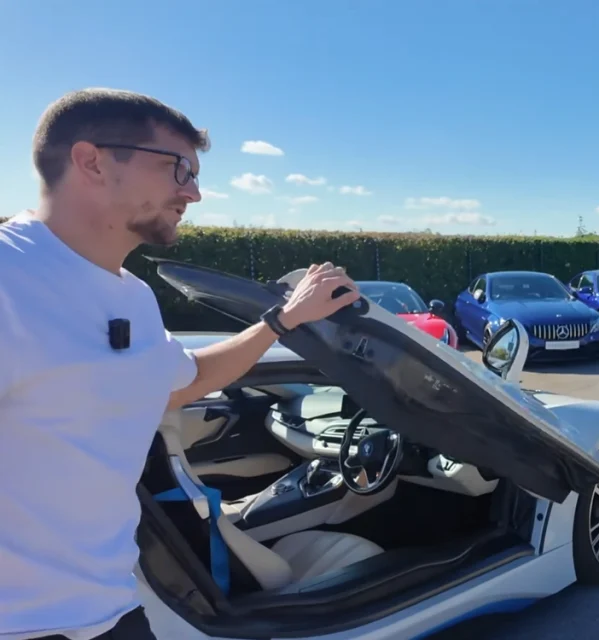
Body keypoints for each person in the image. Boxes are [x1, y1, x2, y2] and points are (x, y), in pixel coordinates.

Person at [0, 88, 362, 640]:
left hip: (111, 613)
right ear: (92, 161)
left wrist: (283, 321)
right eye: (178, 169)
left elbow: (183, 381)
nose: (193, 192)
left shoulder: (133, 297)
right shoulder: (10, 273)